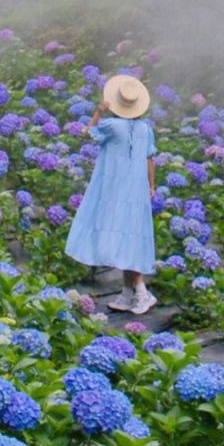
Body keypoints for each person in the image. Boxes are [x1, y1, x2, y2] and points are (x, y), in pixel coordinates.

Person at [65, 73, 158, 314]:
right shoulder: (145, 129)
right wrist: (151, 186)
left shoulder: (111, 126)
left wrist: (98, 112)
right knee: (131, 236)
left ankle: (141, 293)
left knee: (124, 237)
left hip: (115, 189)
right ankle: (127, 293)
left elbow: (87, 133)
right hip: (136, 189)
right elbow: (150, 159)